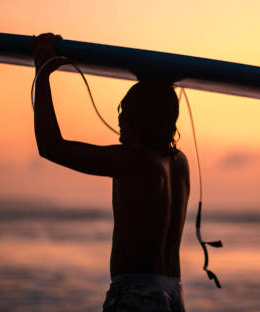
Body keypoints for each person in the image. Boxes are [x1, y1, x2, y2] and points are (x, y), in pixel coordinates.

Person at [32, 33, 190, 311]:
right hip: (173, 292)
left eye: (124, 118)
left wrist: (43, 70)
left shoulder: (136, 162)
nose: (120, 128)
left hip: (137, 294)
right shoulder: (180, 163)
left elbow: (50, 147)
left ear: (141, 121)